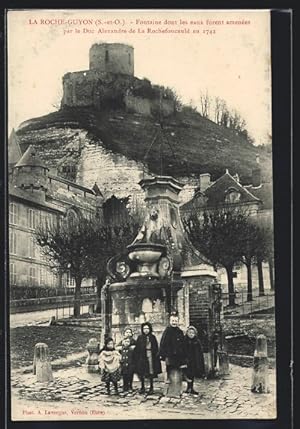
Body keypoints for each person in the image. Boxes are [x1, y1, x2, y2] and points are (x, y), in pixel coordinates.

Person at [133, 322, 162, 394]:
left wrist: (156, 356)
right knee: (142, 371)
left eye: (147, 328)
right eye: (144, 329)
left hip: (151, 355)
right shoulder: (140, 337)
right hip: (142, 356)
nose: (146, 330)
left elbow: (156, 348)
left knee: (151, 371)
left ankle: (151, 387)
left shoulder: (153, 337)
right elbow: (137, 348)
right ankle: (142, 387)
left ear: (150, 329)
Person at [159, 312, 187, 376]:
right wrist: (162, 354)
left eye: (176, 321)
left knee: (178, 369)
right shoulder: (167, 331)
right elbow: (163, 343)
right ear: (170, 321)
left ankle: (177, 382)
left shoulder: (180, 332)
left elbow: (183, 344)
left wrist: (183, 354)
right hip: (169, 355)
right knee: (170, 368)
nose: (174, 323)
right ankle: (170, 380)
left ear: (178, 322)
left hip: (178, 355)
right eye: (173, 321)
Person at [183, 325, 205, 395]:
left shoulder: (197, 341)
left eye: (192, 333)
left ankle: (191, 388)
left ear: (195, 334)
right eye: (189, 333)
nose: (191, 334)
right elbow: (182, 350)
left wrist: (199, 361)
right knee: (187, 374)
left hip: (194, 361)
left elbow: (199, 352)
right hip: (187, 360)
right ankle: (188, 387)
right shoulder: (185, 341)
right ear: (187, 333)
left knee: (192, 374)